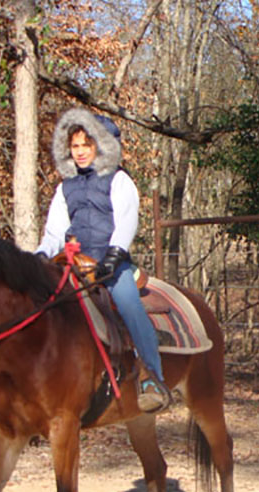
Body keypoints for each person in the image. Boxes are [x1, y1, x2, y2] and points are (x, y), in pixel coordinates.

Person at [36, 107, 172, 413]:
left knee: (129, 306)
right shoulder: (65, 187)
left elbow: (126, 222)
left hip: (110, 264)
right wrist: (39, 257)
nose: (81, 152)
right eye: (75, 146)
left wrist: (113, 256)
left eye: (87, 145)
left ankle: (152, 377)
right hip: (73, 263)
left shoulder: (119, 180)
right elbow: (55, 231)